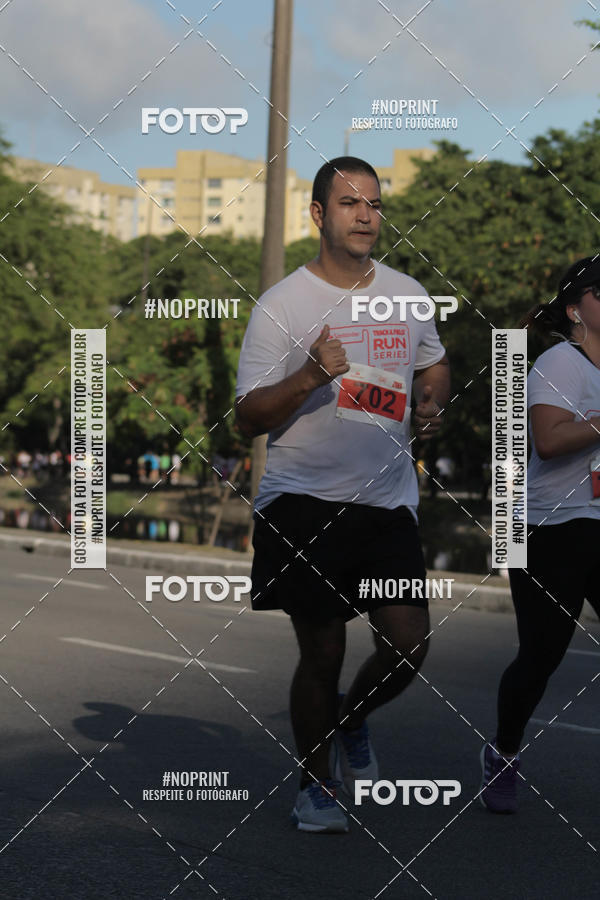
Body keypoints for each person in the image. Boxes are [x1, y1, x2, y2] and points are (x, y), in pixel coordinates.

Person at [235, 157, 450, 833]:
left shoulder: (409, 294)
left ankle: (352, 723)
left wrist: (431, 397)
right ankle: (315, 784)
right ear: (319, 215)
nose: (366, 215)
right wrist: (307, 375)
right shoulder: (284, 305)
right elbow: (248, 416)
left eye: (376, 204)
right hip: (303, 501)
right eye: (351, 202)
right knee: (323, 650)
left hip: (386, 500)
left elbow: (433, 360)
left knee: (409, 644)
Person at [481, 256, 600, 813]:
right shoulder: (560, 362)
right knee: (541, 656)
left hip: (596, 523)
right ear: (576, 308)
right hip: (547, 525)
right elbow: (549, 442)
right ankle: (503, 753)